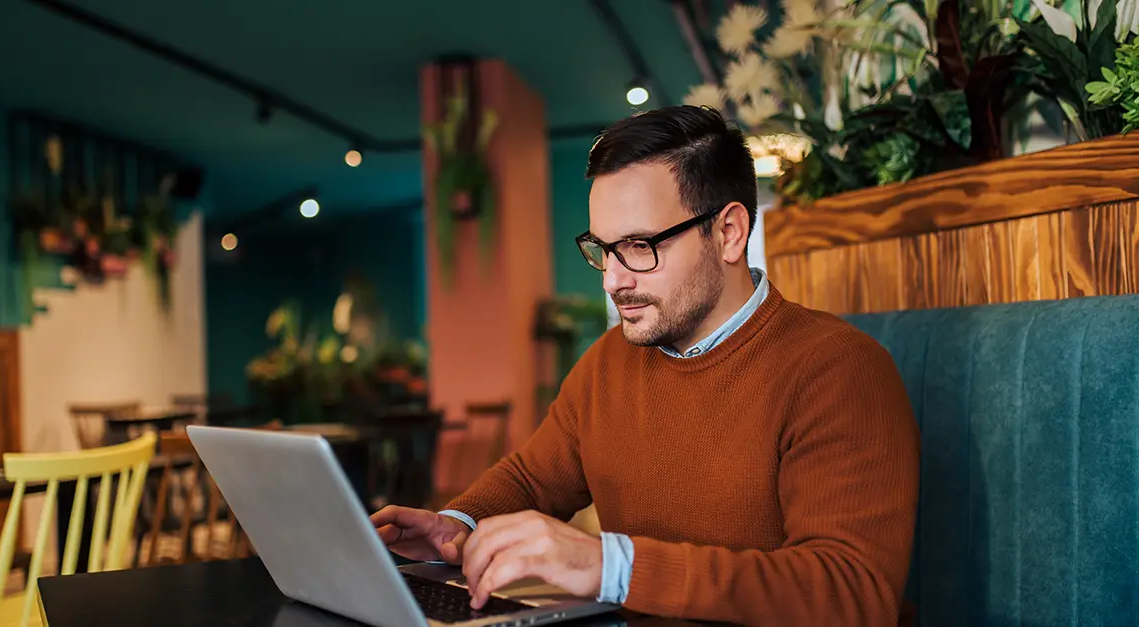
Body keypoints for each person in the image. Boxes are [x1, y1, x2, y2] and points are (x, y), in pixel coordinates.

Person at [371, 105, 920, 627]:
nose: (612, 280)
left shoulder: (839, 370)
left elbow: (853, 594)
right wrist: (455, 526)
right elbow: (533, 478)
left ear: (728, 233)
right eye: (603, 249)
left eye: (639, 246)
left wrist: (611, 567)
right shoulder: (609, 362)